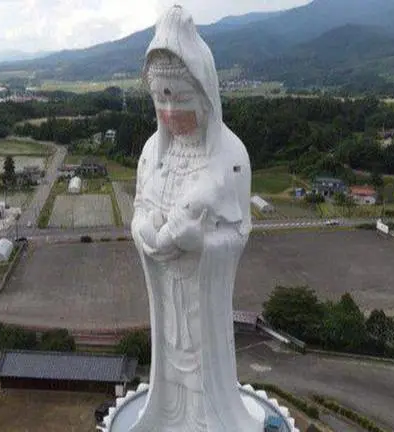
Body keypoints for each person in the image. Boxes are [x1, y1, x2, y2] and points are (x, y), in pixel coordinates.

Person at [129, 5, 260, 432]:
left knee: (203, 362)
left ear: (204, 95)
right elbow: (139, 209)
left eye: (179, 98)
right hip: (166, 288)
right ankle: (167, 414)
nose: (169, 110)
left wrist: (199, 243)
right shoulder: (152, 153)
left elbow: (239, 233)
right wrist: (145, 231)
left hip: (202, 292)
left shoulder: (230, 156)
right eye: (160, 98)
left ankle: (210, 419)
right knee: (169, 358)